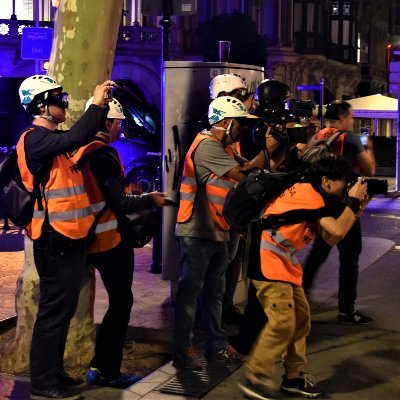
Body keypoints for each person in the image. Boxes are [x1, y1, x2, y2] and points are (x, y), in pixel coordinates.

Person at [16, 75, 114, 400]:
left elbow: (79, 138)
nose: (64, 103)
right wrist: (95, 104)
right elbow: (78, 134)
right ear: (41, 105)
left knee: (63, 311)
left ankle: (54, 373)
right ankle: (44, 384)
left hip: (69, 238)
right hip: (53, 241)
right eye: (58, 99)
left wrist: (99, 111)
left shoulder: (53, 141)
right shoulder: (34, 140)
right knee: (53, 314)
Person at [238, 154, 368, 399]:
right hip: (269, 260)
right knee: (283, 322)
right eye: (344, 182)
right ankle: (253, 378)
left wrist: (356, 206)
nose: (347, 187)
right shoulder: (309, 195)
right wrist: (351, 202)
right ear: (327, 181)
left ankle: (293, 379)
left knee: (300, 321)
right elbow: (337, 229)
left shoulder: (318, 196)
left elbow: (331, 238)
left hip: (284, 262)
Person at [173, 96, 275, 370]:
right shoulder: (207, 146)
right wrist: (268, 148)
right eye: (241, 124)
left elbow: (259, 173)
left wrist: (276, 150)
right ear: (226, 122)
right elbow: (244, 174)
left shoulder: (225, 148)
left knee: (215, 293)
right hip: (197, 231)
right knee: (190, 293)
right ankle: (183, 348)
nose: (243, 130)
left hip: (218, 229)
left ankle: (216, 344)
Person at [73, 97, 167, 389]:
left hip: (86, 238)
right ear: (109, 123)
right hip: (110, 240)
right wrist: (150, 199)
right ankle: (106, 369)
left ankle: (100, 365)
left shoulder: (81, 151)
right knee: (121, 302)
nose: (120, 129)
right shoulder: (105, 154)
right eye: (119, 123)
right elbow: (120, 201)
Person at [302, 100, 376, 324]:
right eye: (351, 117)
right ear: (343, 118)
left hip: (322, 200)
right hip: (345, 201)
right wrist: (370, 148)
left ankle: (300, 295)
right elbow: (369, 169)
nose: (352, 121)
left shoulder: (320, 136)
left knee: (319, 251)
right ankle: (346, 310)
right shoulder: (350, 138)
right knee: (350, 255)